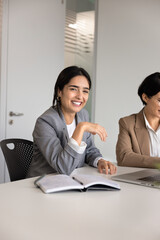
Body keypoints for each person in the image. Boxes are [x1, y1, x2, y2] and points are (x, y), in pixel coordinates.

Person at [27, 66, 116, 177]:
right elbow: (63, 167)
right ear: (59, 92)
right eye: (73, 89)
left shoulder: (83, 115)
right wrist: (81, 128)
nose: (80, 96)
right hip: (45, 183)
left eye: (85, 91)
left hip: (74, 180)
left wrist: (99, 161)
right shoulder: (45, 122)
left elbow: (89, 149)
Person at [116, 72, 160, 168]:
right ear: (145, 97)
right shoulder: (127, 123)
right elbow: (123, 157)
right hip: (141, 181)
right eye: (159, 100)